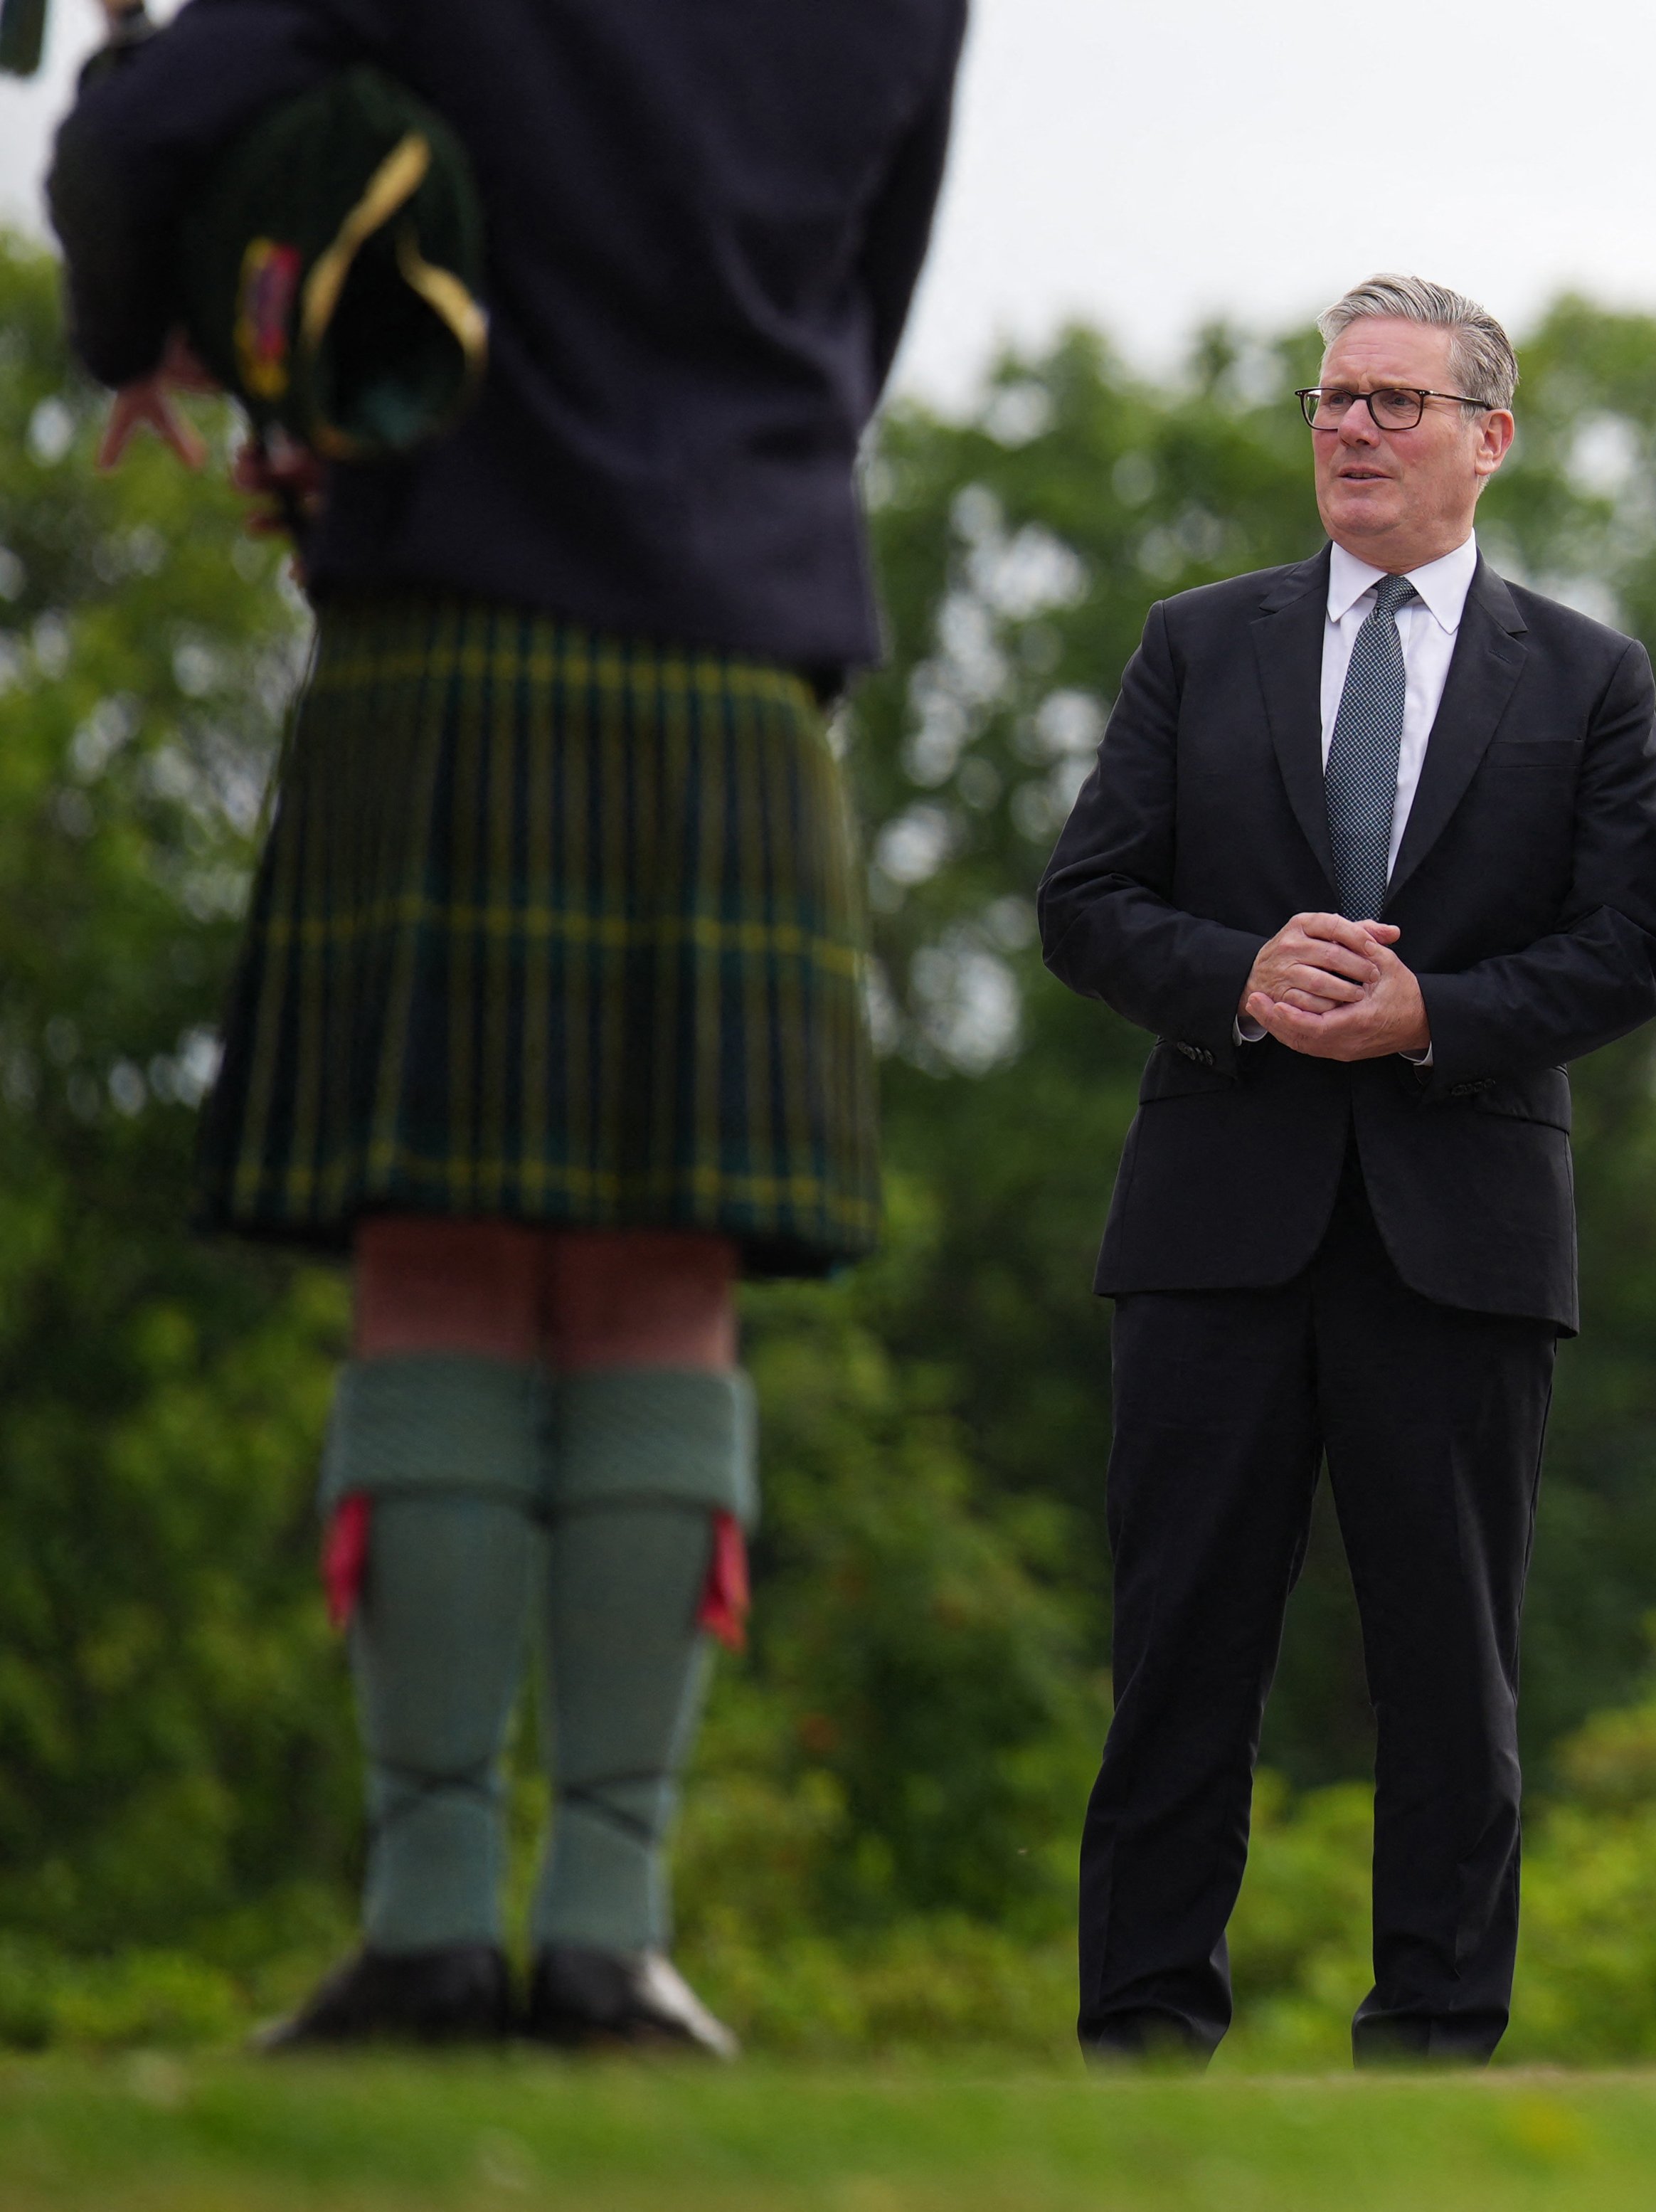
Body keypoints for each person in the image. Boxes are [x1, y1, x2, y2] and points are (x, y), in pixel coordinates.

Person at [51, 0, 968, 2052]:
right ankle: (614, 1943)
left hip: (456, 600)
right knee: (666, 1288)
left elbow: (130, 149)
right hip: (737, 638)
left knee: (441, 1270)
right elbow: (859, 308)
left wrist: (211, 350)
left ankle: (430, 1929)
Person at [1038, 274, 1656, 2068]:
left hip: (1458, 1234)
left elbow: (1631, 947)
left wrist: (1431, 1015)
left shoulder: (1589, 674)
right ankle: (1142, 2038)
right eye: (1331, 398)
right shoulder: (1196, 642)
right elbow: (1086, 902)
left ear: (1489, 438)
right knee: (1179, 1661)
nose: (1351, 429)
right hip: (1212, 1225)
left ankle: (1433, 2049)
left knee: (1450, 1674)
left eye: (1396, 402)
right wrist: (1239, 976)